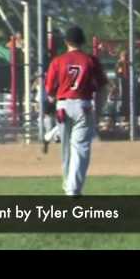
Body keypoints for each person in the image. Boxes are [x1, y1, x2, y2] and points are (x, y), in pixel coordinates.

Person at [45, 26, 108, 196]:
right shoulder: (90, 60)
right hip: (83, 105)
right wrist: (99, 110)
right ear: (83, 41)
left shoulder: (57, 61)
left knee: (66, 149)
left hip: (63, 107)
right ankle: (73, 190)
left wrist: (52, 101)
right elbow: (103, 88)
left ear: (66, 41)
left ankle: (68, 186)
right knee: (80, 149)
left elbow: (50, 91)